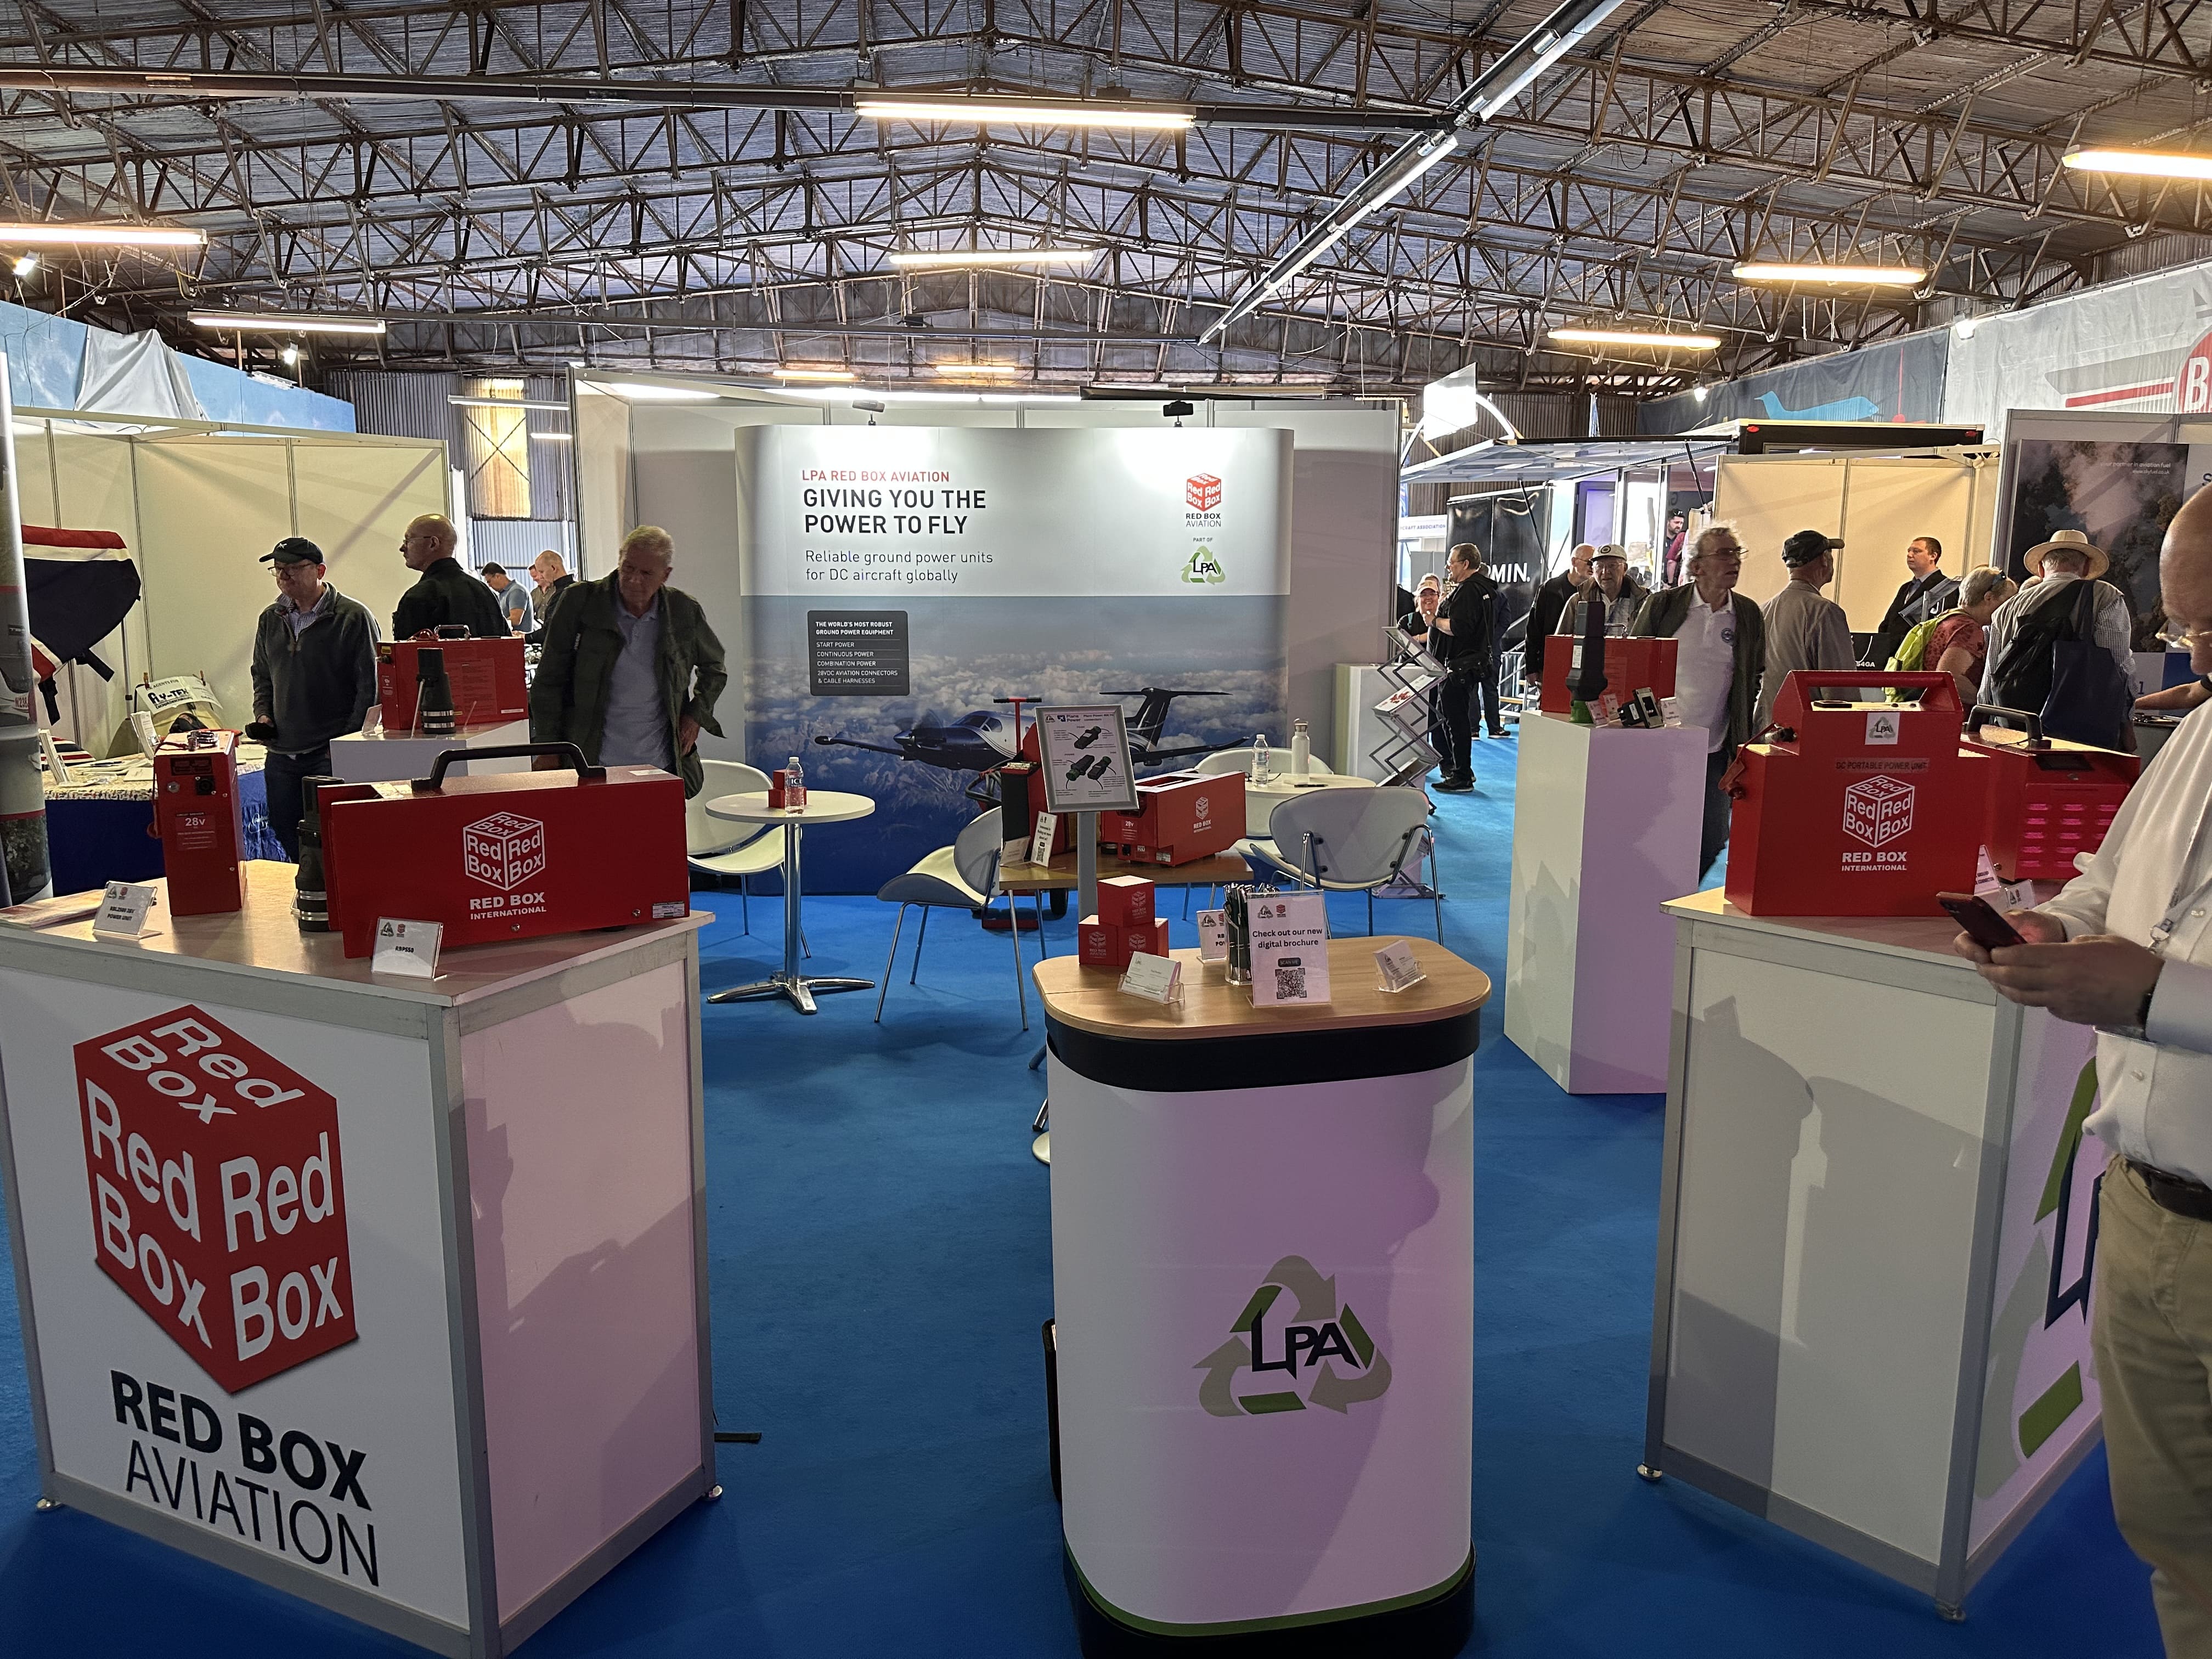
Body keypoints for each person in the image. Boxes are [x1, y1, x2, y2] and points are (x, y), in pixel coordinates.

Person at [1952, 483, 2212, 1656]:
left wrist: (2155, 996)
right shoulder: (2197, 733)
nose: (2195, 651)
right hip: (2143, 1209)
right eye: (2187, 622)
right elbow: (2110, 880)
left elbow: (2155, 967)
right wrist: (2052, 926)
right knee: (2173, 1536)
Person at [528, 525, 729, 797]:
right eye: (628, 568)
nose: (634, 580)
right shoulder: (580, 602)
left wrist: (695, 716)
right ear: (620, 560)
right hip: (591, 764)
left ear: (665, 575)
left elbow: (715, 668)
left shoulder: (682, 611)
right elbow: (548, 680)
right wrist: (548, 746)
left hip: (660, 767)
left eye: (646, 574)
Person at [1632, 526, 1764, 877]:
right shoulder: (1663, 606)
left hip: (1716, 747)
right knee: (1653, 827)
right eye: (1724, 554)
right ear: (1696, 567)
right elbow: (1635, 664)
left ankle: (1681, 890)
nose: (1734, 561)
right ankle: (1653, 891)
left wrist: (1743, 737)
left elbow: (1754, 675)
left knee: (1714, 837)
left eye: (1737, 553)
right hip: (1662, 743)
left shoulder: (1748, 614)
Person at [245, 537, 379, 860]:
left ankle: (333, 888)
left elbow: (369, 687)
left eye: (293, 568)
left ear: (320, 571)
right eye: (278, 569)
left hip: (329, 751)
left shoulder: (352, 617)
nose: (284, 576)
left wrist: (346, 743)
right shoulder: (270, 618)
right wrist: (264, 715)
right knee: (284, 828)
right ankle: (308, 883)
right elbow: (262, 675)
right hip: (281, 752)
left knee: (336, 833)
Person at [1979, 529, 2132, 730]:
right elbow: (2117, 667)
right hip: (2078, 731)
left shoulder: (2006, 610)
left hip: (2015, 728)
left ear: (2041, 569)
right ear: (2086, 567)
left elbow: (1989, 682)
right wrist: (2126, 724)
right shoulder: (2104, 596)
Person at [1755, 529, 1855, 731]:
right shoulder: (1825, 612)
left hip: (1764, 730)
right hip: (1806, 732)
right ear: (1825, 560)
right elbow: (1840, 688)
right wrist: (1848, 731)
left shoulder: (1763, 610)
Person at [1430, 542, 1503, 791]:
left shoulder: (1469, 590)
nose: (1448, 567)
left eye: (1451, 562)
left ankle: (1461, 774)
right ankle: (1461, 770)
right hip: (1469, 664)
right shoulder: (1483, 589)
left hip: (1460, 665)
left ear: (1465, 564)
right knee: (1452, 717)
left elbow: (1458, 627)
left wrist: (1434, 621)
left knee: (1456, 720)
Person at [392, 514, 509, 639]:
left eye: (408, 541)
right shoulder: (486, 594)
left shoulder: (419, 597)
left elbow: (404, 650)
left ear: (433, 543)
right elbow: (506, 645)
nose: (402, 548)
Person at [1915, 565, 2016, 706]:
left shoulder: (1949, 618)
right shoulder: (1969, 629)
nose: (2009, 610)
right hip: (1949, 713)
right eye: (2007, 603)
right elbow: (1950, 678)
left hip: (1930, 707)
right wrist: (1986, 703)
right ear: (1989, 598)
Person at [1869, 535, 1960, 668]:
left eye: (1917, 551)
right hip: (1894, 657)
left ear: (1933, 556)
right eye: (1909, 551)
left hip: (1920, 660)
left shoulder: (1946, 589)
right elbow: (1889, 622)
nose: (1910, 555)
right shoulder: (1905, 588)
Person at [1523, 545, 1594, 681]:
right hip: (1550, 662)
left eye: (1595, 563)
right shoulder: (1549, 589)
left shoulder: (1595, 593)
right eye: (1589, 562)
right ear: (1574, 561)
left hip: (1583, 665)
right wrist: (1531, 667)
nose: (1592, 567)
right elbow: (1533, 629)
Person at [1555, 544, 1648, 639]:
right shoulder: (1578, 601)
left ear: (1625, 569)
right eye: (1599, 566)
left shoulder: (1643, 601)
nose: (1605, 572)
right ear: (1593, 570)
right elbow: (1560, 641)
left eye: (1612, 566)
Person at [527, 549, 576, 644]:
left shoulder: (565, 594)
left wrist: (526, 638)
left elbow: (552, 631)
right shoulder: (568, 591)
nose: (541, 577)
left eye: (542, 572)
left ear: (553, 568)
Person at [482, 562, 534, 635]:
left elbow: (516, 620)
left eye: (489, 582)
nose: (489, 585)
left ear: (498, 576)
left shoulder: (517, 591)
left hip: (520, 640)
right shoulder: (502, 595)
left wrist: (494, 627)